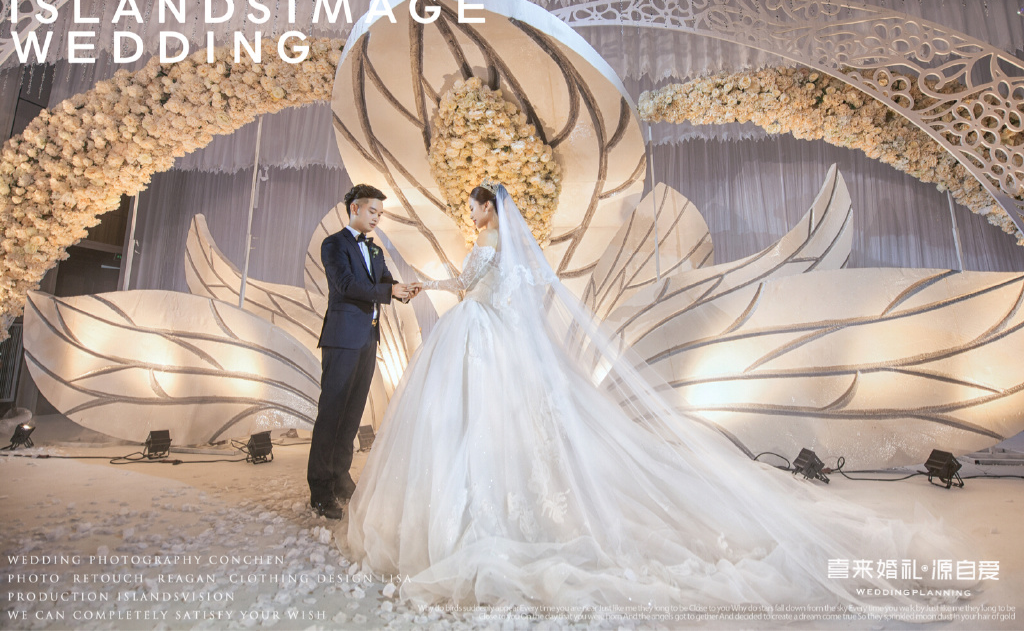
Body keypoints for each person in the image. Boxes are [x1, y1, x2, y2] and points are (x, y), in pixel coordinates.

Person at [344, 179, 969, 615]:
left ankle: (478, 508)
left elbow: (465, 286)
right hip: (499, 338)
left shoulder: (484, 247)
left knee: (471, 421)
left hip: (479, 335)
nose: (474, 213)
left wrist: (420, 285)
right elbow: (513, 294)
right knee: (510, 423)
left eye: (476, 206)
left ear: (488, 209)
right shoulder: (514, 253)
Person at [307, 184, 416, 519]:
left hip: (368, 339)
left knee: (353, 412)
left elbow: (386, 283)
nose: (377, 219)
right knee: (331, 413)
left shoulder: (376, 250)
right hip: (342, 338)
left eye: (380, 214)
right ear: (355, 208)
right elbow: (346, 285)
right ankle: (320, 490)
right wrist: (388, 290)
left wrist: (403, 291)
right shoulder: (333, 244)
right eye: (372, 211)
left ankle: (340, 476)